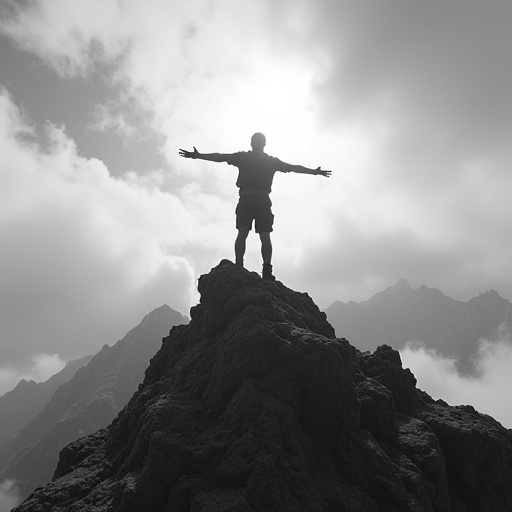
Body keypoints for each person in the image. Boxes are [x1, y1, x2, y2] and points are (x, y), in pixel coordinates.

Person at [179, 132, 331, 280]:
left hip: (246, 198)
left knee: (242, 233)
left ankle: (239, 265)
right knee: (265, 236)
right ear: (264, 144)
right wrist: (314, 172)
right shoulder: (271, 161)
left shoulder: (243, 157)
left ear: (251, 143)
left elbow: (220, 157)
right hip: (263, 200)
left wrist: (198, 155)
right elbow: (293, 167)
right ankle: (266, 270)